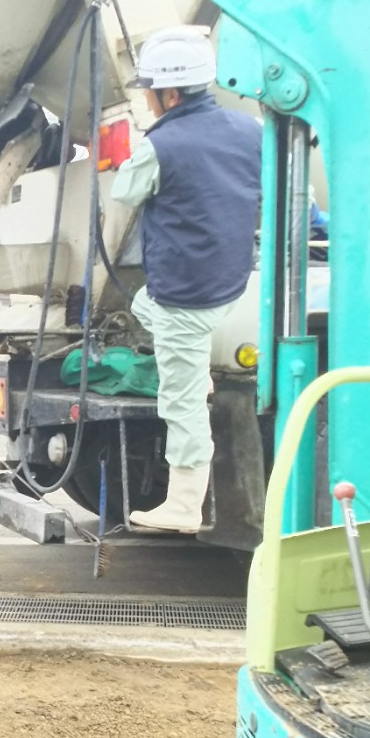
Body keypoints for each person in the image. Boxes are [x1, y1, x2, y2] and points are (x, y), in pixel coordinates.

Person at [111, 26, 262, 533]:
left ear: (169, 93)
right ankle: (200, 368)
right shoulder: (250, 131)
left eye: (149, 92)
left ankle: (184, 505)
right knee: (141, 306)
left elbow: (125, 194)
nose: (149, 102)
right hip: (232, 277)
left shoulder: (162, 144)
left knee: (181, 399)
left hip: (184, 290)